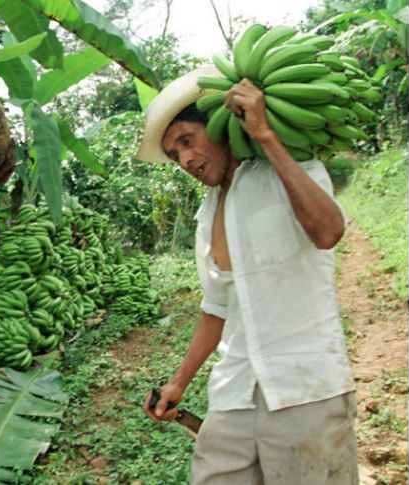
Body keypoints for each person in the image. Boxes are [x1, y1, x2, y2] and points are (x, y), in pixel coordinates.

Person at [137, 65, 359, 484]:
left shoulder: (288, 171)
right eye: (173, 154)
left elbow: (328, 231)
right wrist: (178, 383)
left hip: (304, 388)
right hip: (234, 389)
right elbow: (217, 307)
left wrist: (266, 136)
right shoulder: (207, 214)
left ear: (219, 126)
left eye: (188, 140)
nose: (185, 160)